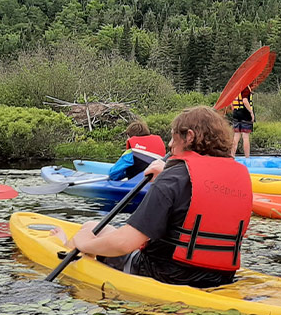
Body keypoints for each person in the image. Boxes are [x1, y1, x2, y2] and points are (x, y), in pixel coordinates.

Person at [64, 106, 252, 288]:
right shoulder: (239, 175)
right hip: (220, 277)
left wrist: (85, 243)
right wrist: (165, 174)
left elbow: (124, 244)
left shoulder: (173, 177)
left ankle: (64, 248)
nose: (169, 145)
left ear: (189, 137)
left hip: (164, 274)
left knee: (90, 228)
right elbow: (197, 186)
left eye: (173, 137)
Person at [229, 86, 255, 158]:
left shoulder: (235, 88)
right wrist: (251, 112)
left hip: (236, 113)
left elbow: (231, 102)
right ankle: (247, 157)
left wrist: (234, 110)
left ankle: (232, 155)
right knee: (245, 136)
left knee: (236, 136)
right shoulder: (245, 88)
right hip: (245, 114)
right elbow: (245, 101)